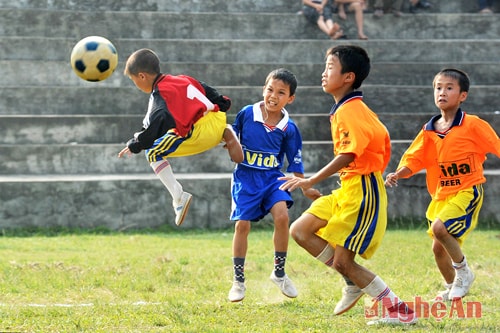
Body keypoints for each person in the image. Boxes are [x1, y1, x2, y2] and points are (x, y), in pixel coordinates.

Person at [278, 45, 416, 325]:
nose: (323, 72)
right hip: (349, 188)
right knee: (301, 231)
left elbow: (349, 154)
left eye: (330, 67)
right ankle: (351, 280)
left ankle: (401, 311)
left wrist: (311, 180)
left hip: (364, 192)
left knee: (344, 261)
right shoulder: (346, 108)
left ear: (348, 77)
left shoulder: (351, 111)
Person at [385, 68, 500, 301]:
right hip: (440, 195)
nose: (442, 92)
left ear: (462, 96)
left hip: (467, 190)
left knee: (440, 229)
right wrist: (399, 173)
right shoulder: (429, 130)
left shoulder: (473, 125)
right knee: (438, 248)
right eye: (438, 87)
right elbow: (414, 159)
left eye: (449, 88)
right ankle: (451, 287)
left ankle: (464, 273)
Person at [118, 48, 243, 227]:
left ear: (142, 76)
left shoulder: (159, 96)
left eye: (134, 80)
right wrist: (224, 103)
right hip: (217, 120)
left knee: (152, 152)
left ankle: (178, 196)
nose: (136, 84)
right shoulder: (183, 79)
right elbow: (208, 91)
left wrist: (136, 145)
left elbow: (158, 120)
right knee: (173, 132)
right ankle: (227, 132)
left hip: (200, 133)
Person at [228, 68, 321, 302]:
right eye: (270, 89)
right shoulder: (247, 114)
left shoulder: (290, 129)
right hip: (246, 178)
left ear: (290, 99)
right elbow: (230, 138)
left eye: (281, 93)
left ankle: (279, 273)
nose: (273, 96)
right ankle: (238, 281)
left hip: (272, 178)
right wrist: (228, 143)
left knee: (282, 217)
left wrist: (306, 187)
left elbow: (295, 162)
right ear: (263, 89)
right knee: (242, 226)